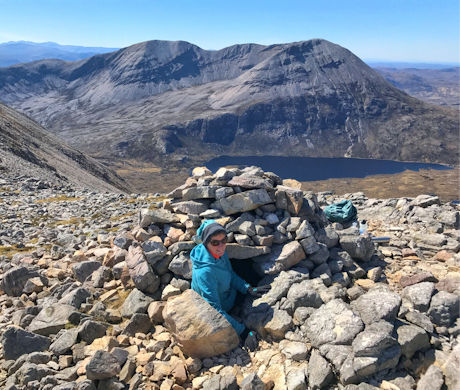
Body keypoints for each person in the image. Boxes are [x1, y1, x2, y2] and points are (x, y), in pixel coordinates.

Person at [190, 219, 270, 351]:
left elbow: (230, 274)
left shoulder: (218, 253)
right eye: (215, 242)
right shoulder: (205, 273)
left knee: (247, 271)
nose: (221, 246)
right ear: (205, 243)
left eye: (223, 240)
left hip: (227, 293)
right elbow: (214, 310)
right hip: (219, 305)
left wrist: (248, 288)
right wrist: (243, 332)